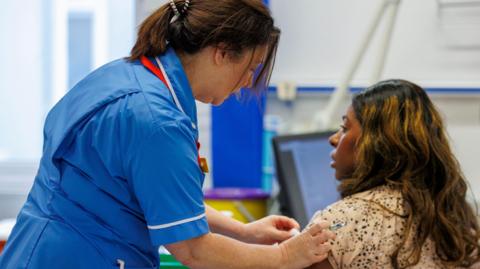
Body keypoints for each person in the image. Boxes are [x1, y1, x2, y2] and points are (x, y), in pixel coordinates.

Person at [0, 0, 335, 268]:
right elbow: (192, 250)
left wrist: (243, 231)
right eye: (250, 67)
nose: (248, 81)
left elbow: (160, 195)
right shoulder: (156, 121)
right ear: (220, 52)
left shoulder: (129, 76)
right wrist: (285, 258)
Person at [307, 79, 480, 269]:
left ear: (375, 143)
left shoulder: (334, 225)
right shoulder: (456, 218)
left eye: (345, 128)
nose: (333, 139)